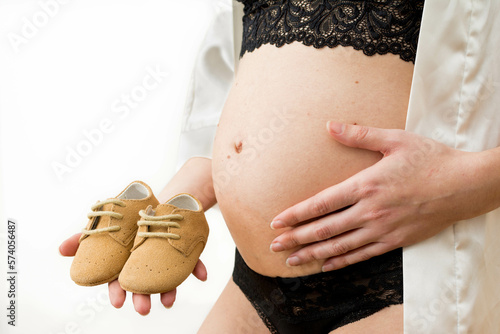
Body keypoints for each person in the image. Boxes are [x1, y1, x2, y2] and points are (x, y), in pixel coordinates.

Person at [61, 0, 500, 333]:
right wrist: (178, 202)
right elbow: (238, 74)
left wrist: (471, 183)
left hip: (404, 269)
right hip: (252, 281)